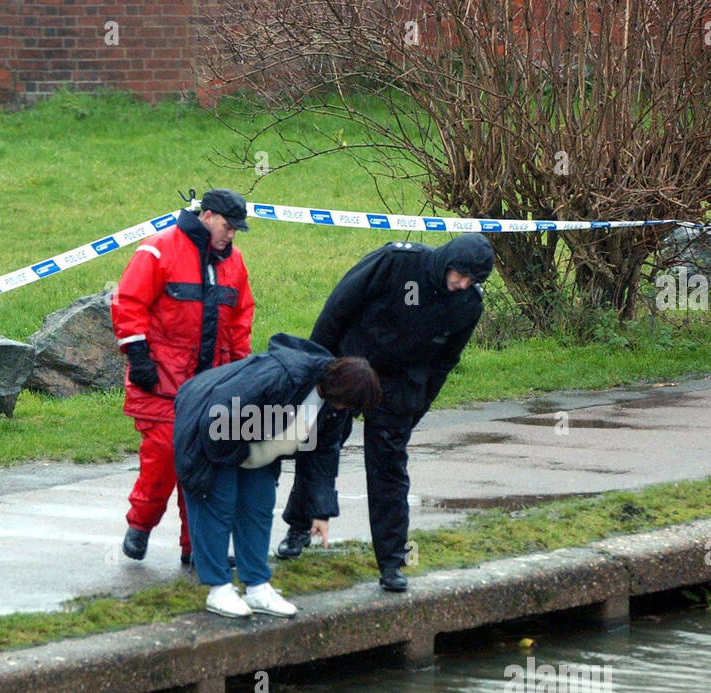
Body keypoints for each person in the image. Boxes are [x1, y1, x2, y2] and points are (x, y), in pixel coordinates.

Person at [276, 234, 495, 592]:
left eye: (472, 281)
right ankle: (300, 526)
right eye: (460, 275)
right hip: (350, 367)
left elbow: (445, 362)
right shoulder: (397, 262)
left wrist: (417, 408)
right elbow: (338, 307)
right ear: (447, 261)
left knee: (389, 469)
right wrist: (320, 367)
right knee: (318, 447)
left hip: (398, 387)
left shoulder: (468, 304)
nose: (462, 284)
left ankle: (392, 562)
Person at [174, 333, 380, 617]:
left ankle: (257, 588)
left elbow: (322, 457)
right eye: (348, 405)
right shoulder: (282, 375)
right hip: (210, 426)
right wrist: (239, 458)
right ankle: (218, 588)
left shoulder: (333, 408)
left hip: (252, 441)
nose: (346, 412)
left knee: (258, 506)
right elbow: (220, 414)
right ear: (338, 390)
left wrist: (320, 511)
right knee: (218, 503)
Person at [111, 189, 255, 565]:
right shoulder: (158, 250)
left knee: (207, 467)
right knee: (164, 458)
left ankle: (199, 550)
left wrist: (240, 372)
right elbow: (129, 302)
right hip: (160, 382)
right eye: (228, 226)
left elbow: (241, 318)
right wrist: (138, 355)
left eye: (236, 229)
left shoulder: (234, 263)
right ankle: (140, 525)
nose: (231, 235)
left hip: (212, 385)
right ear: (207, 216)